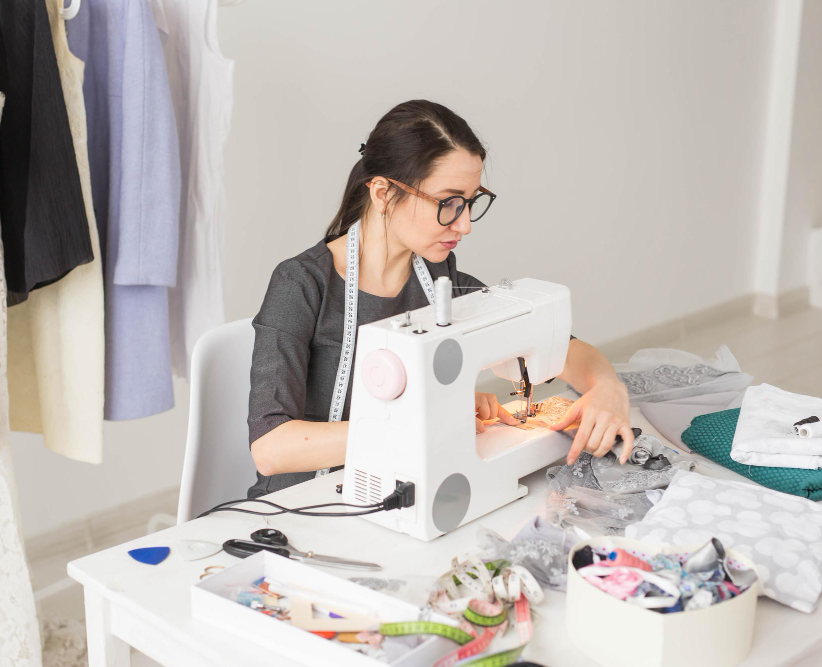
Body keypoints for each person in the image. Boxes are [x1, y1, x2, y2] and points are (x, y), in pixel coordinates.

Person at [246, 100, 632, 499]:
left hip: (402, 484)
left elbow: (562, 349)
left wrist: (607, 388)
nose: (463, 224)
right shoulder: (303, 284)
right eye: (448, 204)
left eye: (470, 202)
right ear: (383, 193)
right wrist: (433, 422)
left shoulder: (440, 280)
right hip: (302, 502)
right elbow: (272, 449)